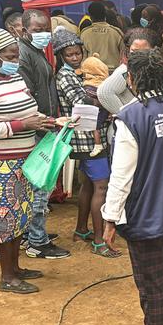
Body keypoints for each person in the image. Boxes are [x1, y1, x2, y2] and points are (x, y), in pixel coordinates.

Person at [101, 49, 163, 325]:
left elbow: (121, 176)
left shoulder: (130, 117)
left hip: (144, 215)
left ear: (132, 80)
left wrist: (110, 218)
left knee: (152, 284)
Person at [0, 26, 53, 292]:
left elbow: (29, 112)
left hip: (24, 160)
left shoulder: (15, 79)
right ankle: (7, 276)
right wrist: (23, 124)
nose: (15, 61)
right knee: (2, 220)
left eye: (15, 57)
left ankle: (16, 267)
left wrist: (49, 122)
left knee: (21, 215)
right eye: (10, 56)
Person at [52, 28, 120, 259]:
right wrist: (107, 97)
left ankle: (82, 229)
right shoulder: (66, 76)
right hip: (87, 139)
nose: (75, 58)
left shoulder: (79, 73)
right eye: (70, 55)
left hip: (88, 136)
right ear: (61, 56)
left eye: (78, 53)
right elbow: (82, 100)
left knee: (89, 186)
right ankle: (100, 241)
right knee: (102, 186)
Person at [18, 9, 71, 259]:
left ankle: (33, 233)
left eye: (45, 29)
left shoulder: (36, 52)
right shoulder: (22, 55)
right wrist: (45, 120)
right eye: (37, 30)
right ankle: (36, 241)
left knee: (40, 184)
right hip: (37, 128)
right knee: (40, 184)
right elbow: (25, 96)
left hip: (46, 125)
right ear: (25, 30)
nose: (43, 34)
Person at [98, 28, 158, 115]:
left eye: (144, 51)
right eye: (134, 51)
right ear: (128, 50)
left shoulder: (152, 68)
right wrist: (126, 116)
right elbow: (104, 92)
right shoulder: (125, 69)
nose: (139, 55)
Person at [79, 1, 125, 73]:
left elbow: (83, 57)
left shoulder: (84, 33)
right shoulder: (116, 32)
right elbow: (124, 55)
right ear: (105, 15)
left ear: (90, 16)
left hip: (93, 73)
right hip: (113, 73)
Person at [80, 54, 111, 157]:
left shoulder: (92, 86)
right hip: (106, 110)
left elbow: (92, 96)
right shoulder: (105, 83)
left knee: (95, 126)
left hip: (102, 111)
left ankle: (98, 145)